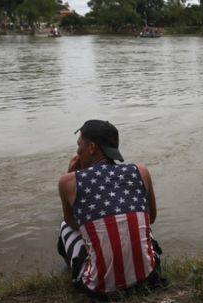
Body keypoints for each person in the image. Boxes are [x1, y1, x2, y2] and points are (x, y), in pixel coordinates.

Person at [57, 120, 162, 297]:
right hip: (148, 277)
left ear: (91, 148)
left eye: (79, 146)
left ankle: (74, 268)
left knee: (64, 227)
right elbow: (151, 217)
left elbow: (72, 222)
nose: (77, 152)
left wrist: (71, 174)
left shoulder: (68, 182)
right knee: (138, 221)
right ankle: (139, 264)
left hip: (98, 288)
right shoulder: (141, 171)